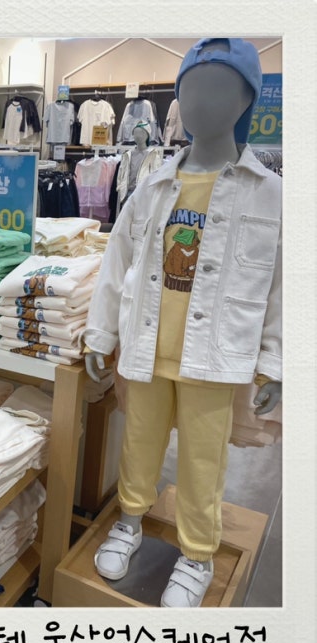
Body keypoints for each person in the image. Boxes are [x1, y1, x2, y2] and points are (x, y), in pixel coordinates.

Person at [83, 38, 282, 608]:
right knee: (139, 443)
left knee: (202, 458)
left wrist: (274, 362)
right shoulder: (152, 185)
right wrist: (101, 335)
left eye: (219, 88)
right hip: (147, 345)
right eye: (190, 89)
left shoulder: (272, 196)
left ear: (246, 99)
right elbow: (117, 264)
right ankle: (129, 520)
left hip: (214, 355)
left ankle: (198, 553)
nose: (199, 102)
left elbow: (283, 286)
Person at [116, 121, 163, 210]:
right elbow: (121, 174)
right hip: (127, 193)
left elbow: (157, 176)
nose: (138, 136)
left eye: (141, 133)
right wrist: (120, 188)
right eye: (135, 133)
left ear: (147, 135)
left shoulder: (153, 155)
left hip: (144, 194)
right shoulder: (127, 155)